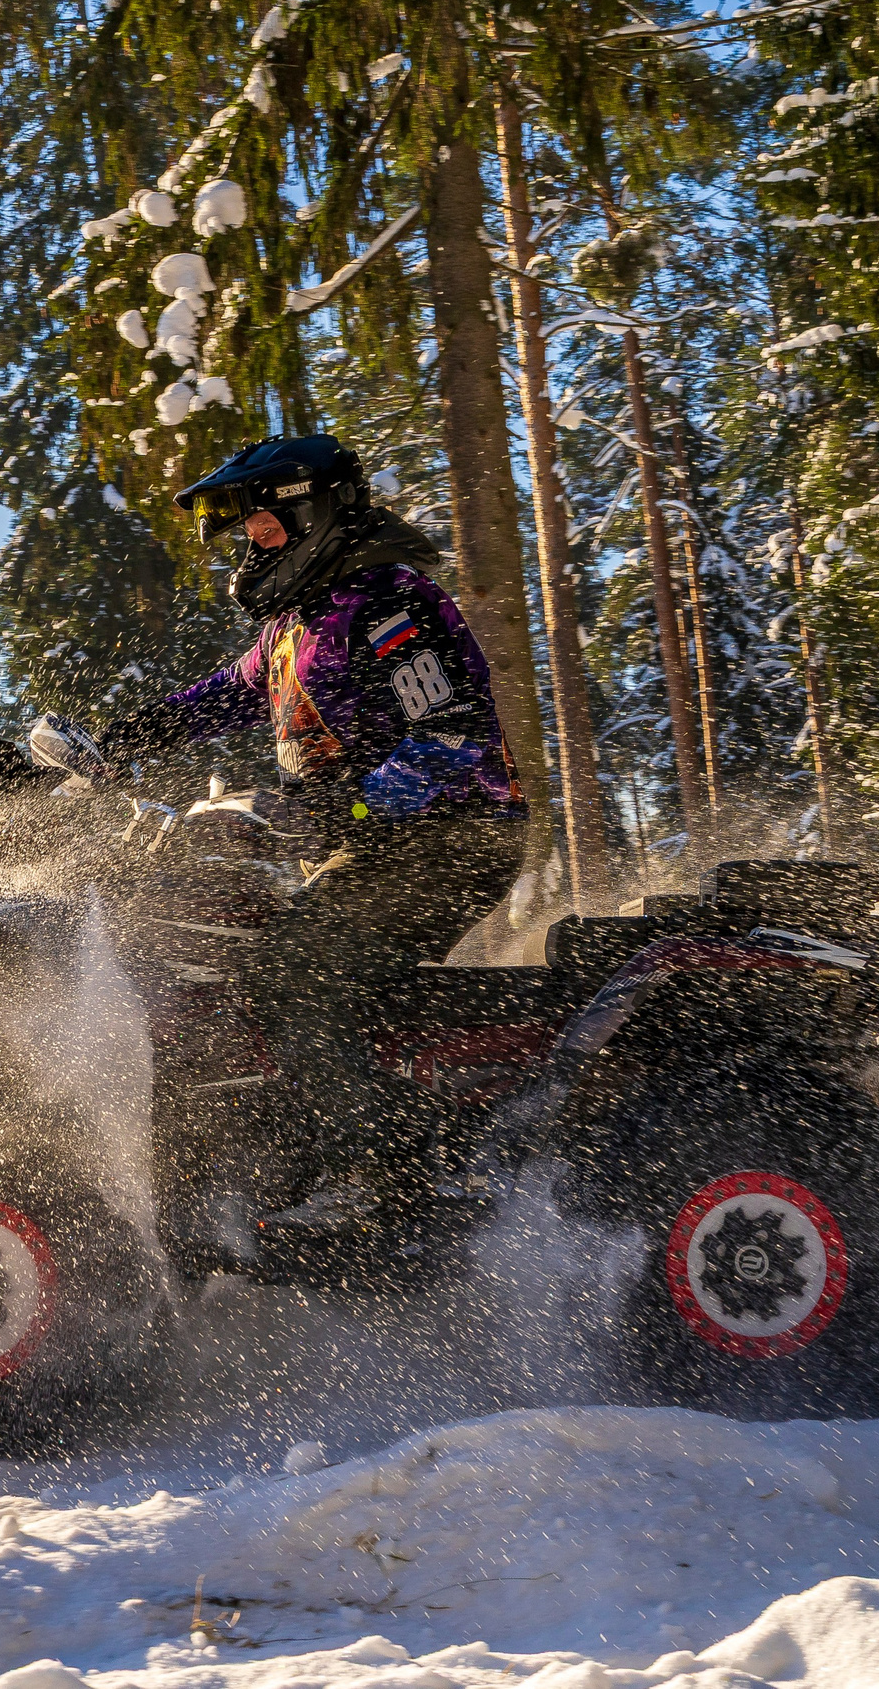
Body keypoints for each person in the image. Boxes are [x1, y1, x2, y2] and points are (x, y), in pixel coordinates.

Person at [96, 435, 528, 1220]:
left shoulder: (389, 603)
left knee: (291, 969)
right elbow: (219, 697)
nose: (250, 548)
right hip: (372, 850)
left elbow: (453, 734)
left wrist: (348, 805)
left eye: (261, 530)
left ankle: (390, 1180)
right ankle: (278, 1153)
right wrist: (121, 740)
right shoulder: (296, 626)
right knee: (231, 943)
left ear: (315, 514)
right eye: (248, 537)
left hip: (450, 839)